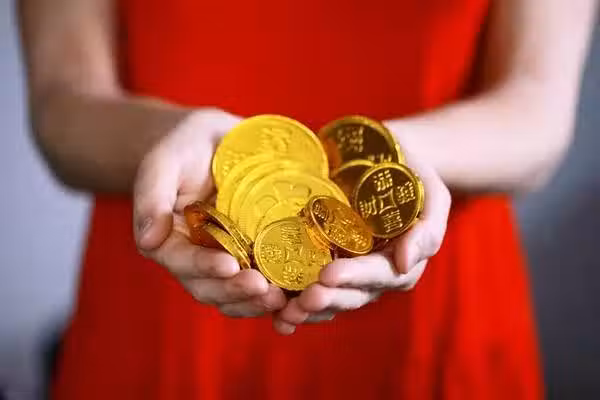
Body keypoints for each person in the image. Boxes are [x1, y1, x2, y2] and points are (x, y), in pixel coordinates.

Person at [17, 0, 596, 398]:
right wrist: (172, 137)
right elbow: (63, 104)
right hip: (174, 267)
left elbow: (537, 112)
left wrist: (394, 160)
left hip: (433, 298)